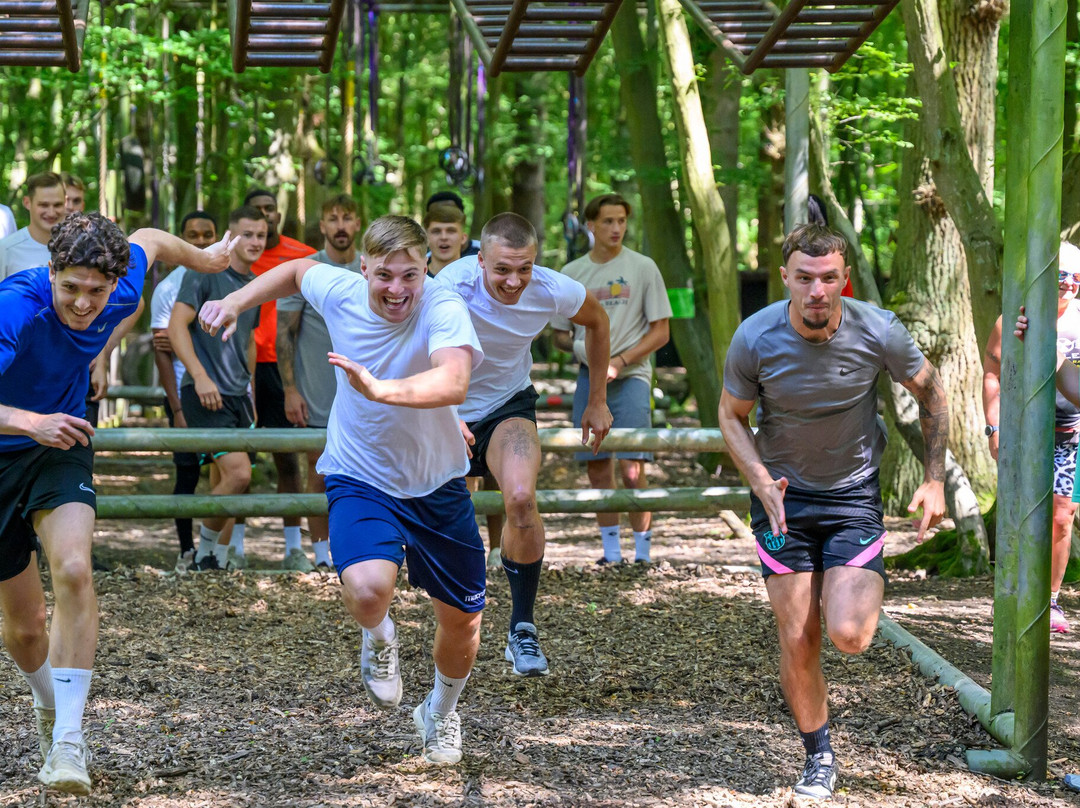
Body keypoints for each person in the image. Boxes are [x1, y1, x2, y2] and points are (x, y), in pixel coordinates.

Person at [199, 215, 486, 765]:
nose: (397, 289)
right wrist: (235, 302)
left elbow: (453, 380)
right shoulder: (341, 291)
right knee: (368, 590)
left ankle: (441, 712)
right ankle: (379, 637)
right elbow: (295, 272)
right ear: (363, 269)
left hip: (437, 481)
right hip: (361, 473)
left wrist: (380, 389)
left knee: (462, 622)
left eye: (410, 275)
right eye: (384, 276)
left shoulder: (443, 305)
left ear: (426, 268)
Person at [0, 212, 234, 795]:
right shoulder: (15, 307)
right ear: (49, 272)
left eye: (96, 291)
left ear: (115, 283)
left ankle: (68, 741)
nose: (83, 304)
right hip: (12, 441)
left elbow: (150, 240)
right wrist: (29, 421)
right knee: (25, 629)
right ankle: (48, 705)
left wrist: (204, 259)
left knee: (75, 568)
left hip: (60, 444)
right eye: (70, 288)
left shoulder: (123, 284)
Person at [717, 223, 948, 800]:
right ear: (786, 278)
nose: (816, 291)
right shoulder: (754, 337)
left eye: (828, 279)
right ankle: (818, 756)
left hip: (852, 495)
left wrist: (935, 479)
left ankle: (839, 592)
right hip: (781, 498)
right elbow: (731, 415)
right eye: (804, 278)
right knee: (799, 637)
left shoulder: (878, 329)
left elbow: (931, 392)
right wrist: (759, 480)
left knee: (849, 634)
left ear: (844, 278)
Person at [435, 212, 612, 677]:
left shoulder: (552, 289)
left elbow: (598, 321)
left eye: (524, 268)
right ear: (480, 260)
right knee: (442, 520)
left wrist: (596, 401)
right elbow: (415, 343)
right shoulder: (451, 286)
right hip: (445, 403)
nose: (514, 281)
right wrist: (442, 411)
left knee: (519, 499)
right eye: (502, 269)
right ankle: (446, 624)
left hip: (506, 404)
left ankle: (522, 629)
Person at [552, 193, 672, 565]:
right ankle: (611, 554)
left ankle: (643, 554)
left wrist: (619, 361)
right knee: (597, 463)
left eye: (621, 220)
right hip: (590, 377)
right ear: (590, 226)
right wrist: (583, 351)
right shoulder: (572, 273)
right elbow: (559, 335)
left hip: (633, 375)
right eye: (608, 221)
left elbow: (661, 332)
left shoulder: (643, 267)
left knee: (633, 466)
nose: (616, 228)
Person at [168, 206, 266, 572]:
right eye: (247, 234)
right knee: (239, 474)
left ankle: (217, 559)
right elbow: (176, 326)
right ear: (231, 236)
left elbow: (249, 341)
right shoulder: (203, 272)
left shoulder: (255, 284)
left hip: (239, 395)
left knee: (228, 480)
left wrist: (250, 392)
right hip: (205, 392)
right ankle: (201, 553)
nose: (255, 242)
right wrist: (200, 375)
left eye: (261, 235)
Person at [276, 194, 363, 570]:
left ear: (358, 224)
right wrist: (290, 388)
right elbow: (284, 333)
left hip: (364, 391)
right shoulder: (306, 270)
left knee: (364, 472)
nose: (340, 225)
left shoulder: (371, 268)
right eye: (333, 218)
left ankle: (357, 551)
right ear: (323, 225)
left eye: (347, 217)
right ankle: (323, 555)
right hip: (316, 387)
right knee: (319, 469)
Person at [997, 243, 1080, 633]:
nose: (1070, 284)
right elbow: (994, 372)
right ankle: (1013, 594)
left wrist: (1048, 347)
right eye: (1062, 275)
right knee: (1022, 514)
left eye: (1078, 277)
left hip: (1070, 436)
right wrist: (994, 427)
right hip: (1025, 435)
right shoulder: (1019, 315)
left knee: (1062, 517)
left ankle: (1050, 600)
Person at [245, 188, 318, 570]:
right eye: (257, 210)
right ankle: (231, 548)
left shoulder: (303, 255)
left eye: (270, 209)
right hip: (239, 369)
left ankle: (294, 548)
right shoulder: (234, 256)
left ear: (278, 213)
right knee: (239, 461)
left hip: (283, 367)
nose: (265, 216)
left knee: (289, 460)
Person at [150, 211, 219, 570]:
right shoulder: (168, 287)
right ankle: (185, 549)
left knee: (229, 471)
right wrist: (176, 409)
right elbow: (161, 351)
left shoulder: (228, 280)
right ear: (181, 239)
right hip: (183, 392)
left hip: (224, 391)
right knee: (187, 473)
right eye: (193, 235)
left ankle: (220, 549)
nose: (201, 241)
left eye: (208, 234)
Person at [0, 172, 66, 279]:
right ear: (27, 203)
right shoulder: (6, 250)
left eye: (57, 205)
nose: (51, 212)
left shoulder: (76, 247)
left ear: (65, 202)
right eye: (43, 205)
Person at [426, 190, 480, 256]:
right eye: (436, 214)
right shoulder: (422, 258)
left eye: (451, 212)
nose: (444, 215)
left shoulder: (483, 252)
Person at [425, 202, 470, 277]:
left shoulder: (478, 279)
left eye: (451, 231)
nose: (443, 237)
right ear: (426, 238)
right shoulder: (415, 280)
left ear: (463, 238)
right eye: (436, 231)